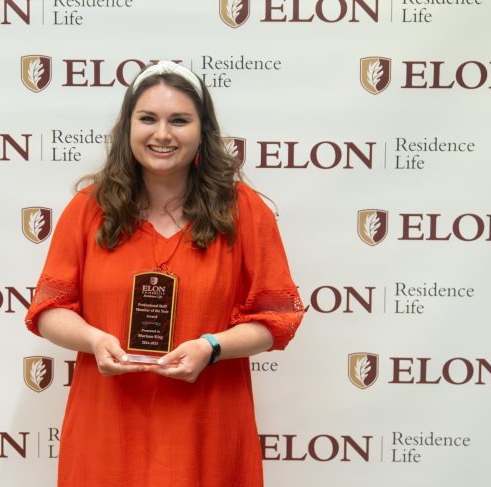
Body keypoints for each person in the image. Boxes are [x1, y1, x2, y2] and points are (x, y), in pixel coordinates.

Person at [25, 60, 304, 486]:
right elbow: (49, 311)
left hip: (206, 430)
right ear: (127, 127)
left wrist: (211, 347)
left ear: (203, 131)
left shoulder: (244, 210)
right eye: (148, 119)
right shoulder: (88, 209)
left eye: (179, 120)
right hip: (108, 431)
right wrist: (94, 340)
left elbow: (277, 319)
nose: (162, 134)